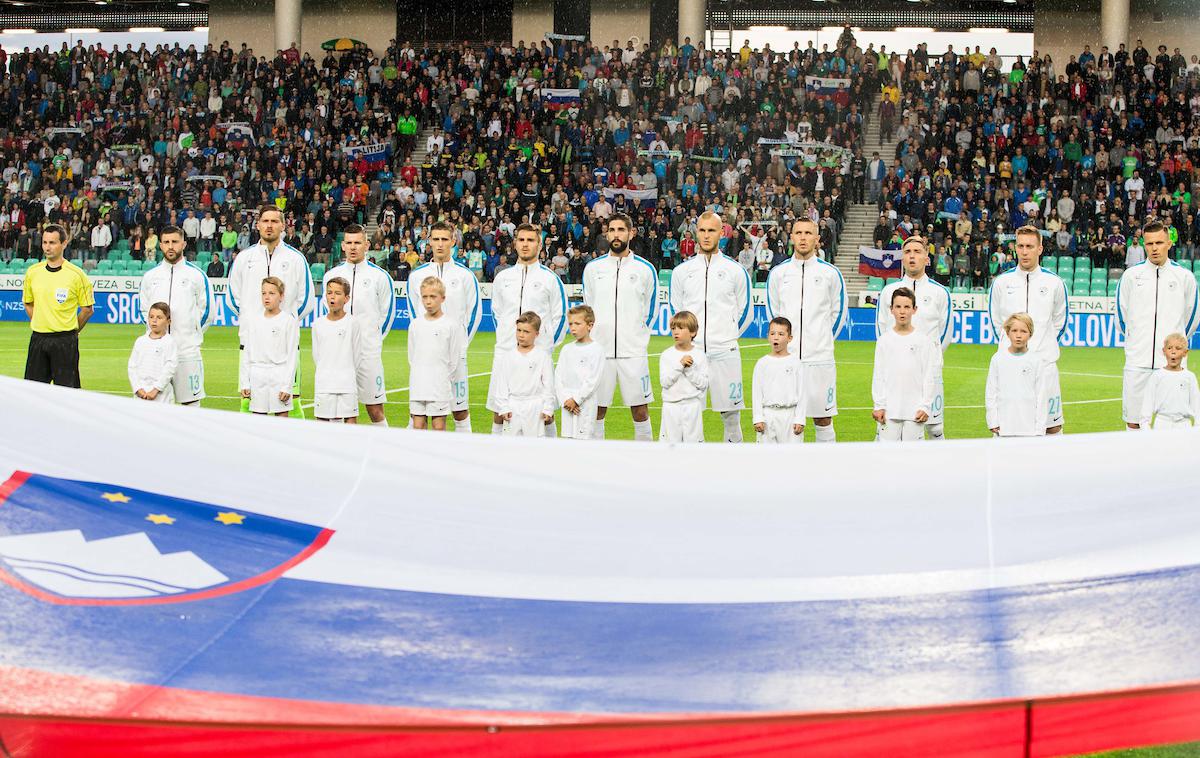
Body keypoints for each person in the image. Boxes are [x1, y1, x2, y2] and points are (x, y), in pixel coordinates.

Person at [668, 210, 753, 443]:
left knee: (731, 415)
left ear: (721, 233)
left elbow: (746, 312)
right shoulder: (681, 272)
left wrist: (727, 337)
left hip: (725, 352)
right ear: (697, 232)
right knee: (689, 414)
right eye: (702, 230)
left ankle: (734, 467)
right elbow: (677, 312)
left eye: (711, 230)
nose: (706, 236)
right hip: (692, 354)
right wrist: (688, 344)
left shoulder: (736, 271)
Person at [765, 217, 848, 442]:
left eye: (808, 233)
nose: (803, 238)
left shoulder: (830, 273)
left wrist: (821, 340)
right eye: (798, 233)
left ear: (817, 238)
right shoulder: (778, 274)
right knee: (786, 419)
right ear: (791, 237)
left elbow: (838, 314)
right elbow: (774, 314)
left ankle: (826, 472)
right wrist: (784, 347)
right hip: (786, 360)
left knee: (822, 419)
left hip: (819, 358)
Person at [228, 206, 314, 412]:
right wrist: (253, 321)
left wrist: (284, 323)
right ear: (257, 225)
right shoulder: (244, 258)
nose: (269, 225)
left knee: (290, 402)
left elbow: (306, 299)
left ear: (283, 226)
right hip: (250, 343)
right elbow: (233, 297)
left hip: (284, 346)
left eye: (274, 221)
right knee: (248, 401)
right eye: (265, 221)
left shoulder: (295, 258)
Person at [1115, 221, 1199, 429]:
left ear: (1169, 243)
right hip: (1138, 361)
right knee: (1134, 423)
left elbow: (1191, 318)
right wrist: (1137, 340)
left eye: (1159, 242)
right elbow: (1121, 317)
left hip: (1172, 365)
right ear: (1144, 244)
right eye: (1149, 243)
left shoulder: (1184, 277)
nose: (1154, 248)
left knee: (1175, 421)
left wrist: (1175, 347)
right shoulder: (1131, 276)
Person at [583, 213, 658, 440]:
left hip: (632, 353)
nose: (616, 234)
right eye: (613, 230)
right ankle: (595, 461)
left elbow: (651, 310)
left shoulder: (645, 269)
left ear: (631, 233)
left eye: (621, 230)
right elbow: (589, 307)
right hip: (600, 351)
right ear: (607, 234)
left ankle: (645, 460)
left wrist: (638, 336)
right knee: (597, 409)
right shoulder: (593, 269)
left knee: (640, 410)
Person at [487, 223, 567, 436]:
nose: (525, 244)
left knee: (547, 411)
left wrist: (546, 347)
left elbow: (560, 317)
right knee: (498, 408)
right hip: (505, 352)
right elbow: (497, 313)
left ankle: (551, 458)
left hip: (538, 354)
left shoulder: (550, 279)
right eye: (521, 240)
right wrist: (506, 339)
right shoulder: (503, 278)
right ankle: (493, 456)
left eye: (530, 240)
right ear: (515, 243)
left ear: (539, 244)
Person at [987, 226, 1068, 434]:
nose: (1024, 251)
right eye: (1020, 246)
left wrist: (1041, 347)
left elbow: (1059, 322)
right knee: (1007, 425)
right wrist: (1013, 351)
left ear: (1040, 249)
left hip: (1045, 364)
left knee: (1052, 427)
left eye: (1029, 247)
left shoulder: (1054, 283)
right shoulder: (1002, 283)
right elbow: (997, 322)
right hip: (1011, 367)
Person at [407, 221, 481, 433]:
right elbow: (415, 316)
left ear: (453, 241)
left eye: (444, 239)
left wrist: (461, 347)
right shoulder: (417, 276)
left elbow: (473, 314)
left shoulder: (465, 276)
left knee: (460, 409)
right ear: (429, 242)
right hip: (426, 357)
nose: (440, 244)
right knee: (419, 412)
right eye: (436, 239)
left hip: (456, 355)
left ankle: (462, 456)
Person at [876, 236, 953, 438]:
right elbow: (882, 330)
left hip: (930, 371)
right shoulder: (888, 292)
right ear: (902, 257)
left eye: (917, 252)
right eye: (908, 252)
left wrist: (930, 359)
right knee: (888, 425)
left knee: (935, 427)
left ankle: (939, 468)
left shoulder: (940, 292)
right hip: (896, 373)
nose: (912, 256)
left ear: (927, 258)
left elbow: (945, 333)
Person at [323, 223, 396, 426]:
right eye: (349, 243)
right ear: (343, 246)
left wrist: (371, 340)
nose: (353, 247)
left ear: (367, 245)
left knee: (374, 409)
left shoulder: (380, 277)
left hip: (368, 353)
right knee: (338, 409)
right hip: (339, 353)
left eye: (358, 243)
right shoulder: (332, 276)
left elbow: (386, 314)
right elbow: (328, 312)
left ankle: (383, 451)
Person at [138, 225, 215, 406]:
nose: (170, 246)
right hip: (156, 353)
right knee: (154, 405)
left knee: (191, 405)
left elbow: (208, 312)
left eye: (174, 242)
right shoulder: (151, 276)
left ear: (184, 244)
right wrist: (157, 337)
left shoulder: (197, 276)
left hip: (187, 352)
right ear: (160, 245)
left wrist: (191, 334)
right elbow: (144, 310)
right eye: (166, 242)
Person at [23, 224, 94, 388]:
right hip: (38, 339)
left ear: (64, 243)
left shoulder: (77, 275)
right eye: (45, 242)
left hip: (65, 341)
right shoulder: (33, 272)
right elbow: (28, 302)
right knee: (33, 393)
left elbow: (87, 309)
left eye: (52, 243)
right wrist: (43, 320)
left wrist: (72, 330)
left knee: (68, 393)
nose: (47, 247)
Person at [871, 288, 942, 442]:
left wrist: (925, 406)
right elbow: (879, 375)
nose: (902, 312)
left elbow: (928, 377)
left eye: (907, 307)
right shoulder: (884, 341)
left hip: (915, 412)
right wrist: (879, 405)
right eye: (898, 307)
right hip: (889, 411)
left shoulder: (924, 341)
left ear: (914, 310)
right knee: (887, 457)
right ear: (891, 310)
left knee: (913, 459)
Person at [407, 277, 465, 431]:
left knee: (438, 428)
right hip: (418, 384)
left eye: (433, 297)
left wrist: (443, 378)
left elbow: (453, 360)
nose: (428, 301)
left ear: (442, 298)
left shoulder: (451, 325)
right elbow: (412, 356)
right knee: (417, 426)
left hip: (439, 385)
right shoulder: (415, 325)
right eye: (425, 297)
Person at [240, 277, 299, 417]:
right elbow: (247, 353)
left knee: (281, 423)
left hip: (279, 375)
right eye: (264, 293)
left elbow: (292, 356)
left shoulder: (288, 321)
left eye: (272, 293)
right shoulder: (254, 320)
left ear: (281, 296)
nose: (267, 297)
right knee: (258, 423)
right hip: (257, 375)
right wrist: (245, 383)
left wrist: (287, 386)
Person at [985, 313, 1051, 437]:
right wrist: (992, 420)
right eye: (1014, 331)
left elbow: (1041, 396)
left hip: (1028, 429)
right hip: (1004, 427)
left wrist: (1040, 429)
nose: (1018, 335)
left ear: (1030, 334)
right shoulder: (998, 359)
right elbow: (991, 392)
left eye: (1024, 331)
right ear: (1007, 332)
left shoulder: (1036, 361)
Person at [492, 311, 556, 437]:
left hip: (535, 407)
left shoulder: (542, 357)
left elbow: (549, 386)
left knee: (535, 447)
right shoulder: (508, 357)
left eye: (526, 332)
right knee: (511, 447)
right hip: (513, 406)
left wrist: (548, 407)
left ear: (536, 334)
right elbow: (502, 385)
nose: (521, 335)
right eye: (519, 330)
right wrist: (504, 407)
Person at [312, 278, 364, 423]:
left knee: (350, 423)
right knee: (322, 423)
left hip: (346, 383)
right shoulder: (318, 324)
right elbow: (317, 355)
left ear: (347, 298)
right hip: (324, 383)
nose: (332, 297)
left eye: (337, 293)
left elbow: (357, 356)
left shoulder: (353, 323)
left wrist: (347, 373)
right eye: (329, 293)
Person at [752, 316, 805, 444]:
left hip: (790, 417)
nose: (776, 337)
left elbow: (802, 393)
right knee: (767, 459)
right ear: (768, 336)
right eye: (772, 333)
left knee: (792, 458)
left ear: (789, 338)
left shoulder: (796, 363)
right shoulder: (762, 363)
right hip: (768, 416)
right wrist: (758, 417)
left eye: (781, 334)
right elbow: (756, 392)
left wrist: (800, 419)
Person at [555, 305, 606, 440]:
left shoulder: (597, 350)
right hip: (567, 405)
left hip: (585, 404)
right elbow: (558, 376)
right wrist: (565, 400)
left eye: (577, 323)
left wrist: (577, 400)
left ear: (590, 325)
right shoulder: (566, 349)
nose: (573, 327)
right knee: (567, 440)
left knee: (584, 441)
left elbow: (593, 381)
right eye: (570, 323)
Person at [659, 310, 709, 443]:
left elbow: (703, 384)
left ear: (692, 332)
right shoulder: (666, 355)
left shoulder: (700, 355)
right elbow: (665, 382)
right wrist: (680, 365)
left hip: (692, 407)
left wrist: (689, 370)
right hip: (671, 407)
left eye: (681, 328)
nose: (676, 332)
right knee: (669, 448)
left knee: (693, 449)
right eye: (673, 328)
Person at [1138, 333, 1200, 430]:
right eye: (1170, 348)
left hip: (1184, 426)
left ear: (1185, 352)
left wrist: (1197, 428)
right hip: (1162, 424)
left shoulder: (1189, 377)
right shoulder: (1157, 376)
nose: (1173, 352)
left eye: (1178, 348)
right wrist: (1146, 428)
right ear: (1164, 351)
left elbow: (1197, 405)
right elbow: (1147, 404)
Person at [128, 301, 178, 404]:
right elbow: (132, 367)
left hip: (161, 395)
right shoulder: (140, 341)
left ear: (168, 321)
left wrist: (156, 389)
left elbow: (170, 368)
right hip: (141, 394)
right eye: (151, 317)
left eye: (159, 318)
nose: (154, 320)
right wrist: (137, 388)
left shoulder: (169, 342)